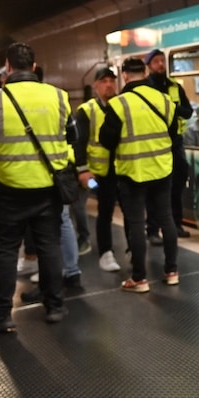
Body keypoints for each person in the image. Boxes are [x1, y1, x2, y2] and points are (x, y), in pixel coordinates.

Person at [0, 42, 75, 332]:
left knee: (5, 251)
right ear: (34, 65)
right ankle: (55, 306)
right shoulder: (59, 96)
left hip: (8, 190)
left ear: (8, 66)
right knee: (49, 246)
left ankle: (1, 315)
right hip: (48, 187)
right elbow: (73, 136)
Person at [99, 57, 179, 292]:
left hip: (132, 171)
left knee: (136, 223)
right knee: (166, 219)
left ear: (124, 75)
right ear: (145, 72)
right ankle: (172, 271)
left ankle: (139, 278)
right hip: (162, 168)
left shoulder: (118, 104)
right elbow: (173, 134)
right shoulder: (165, 100)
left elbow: (106, 140)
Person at [75, 65, 122, 272]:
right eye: (104, 81)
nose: (109, 85)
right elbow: (79, 142)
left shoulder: (122, 105)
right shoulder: (87, 110)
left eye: (112, 80)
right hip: (95, 173)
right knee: (101, 210)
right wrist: (83, 170)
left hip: (120, 169)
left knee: (121, 211)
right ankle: (104, 252)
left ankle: (122, 250)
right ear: (95, 86)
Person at [143, 49, 193, 241]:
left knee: (177, 184)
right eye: (156, 62)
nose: (160, 65)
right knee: (155, 187)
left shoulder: (175, 87)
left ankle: (176, 224)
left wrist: (171, 107)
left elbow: (187, 112)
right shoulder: (145, 87)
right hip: (154, 143)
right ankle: (153, 230)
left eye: (162, 61)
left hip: (175, 143)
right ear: (149, 66)